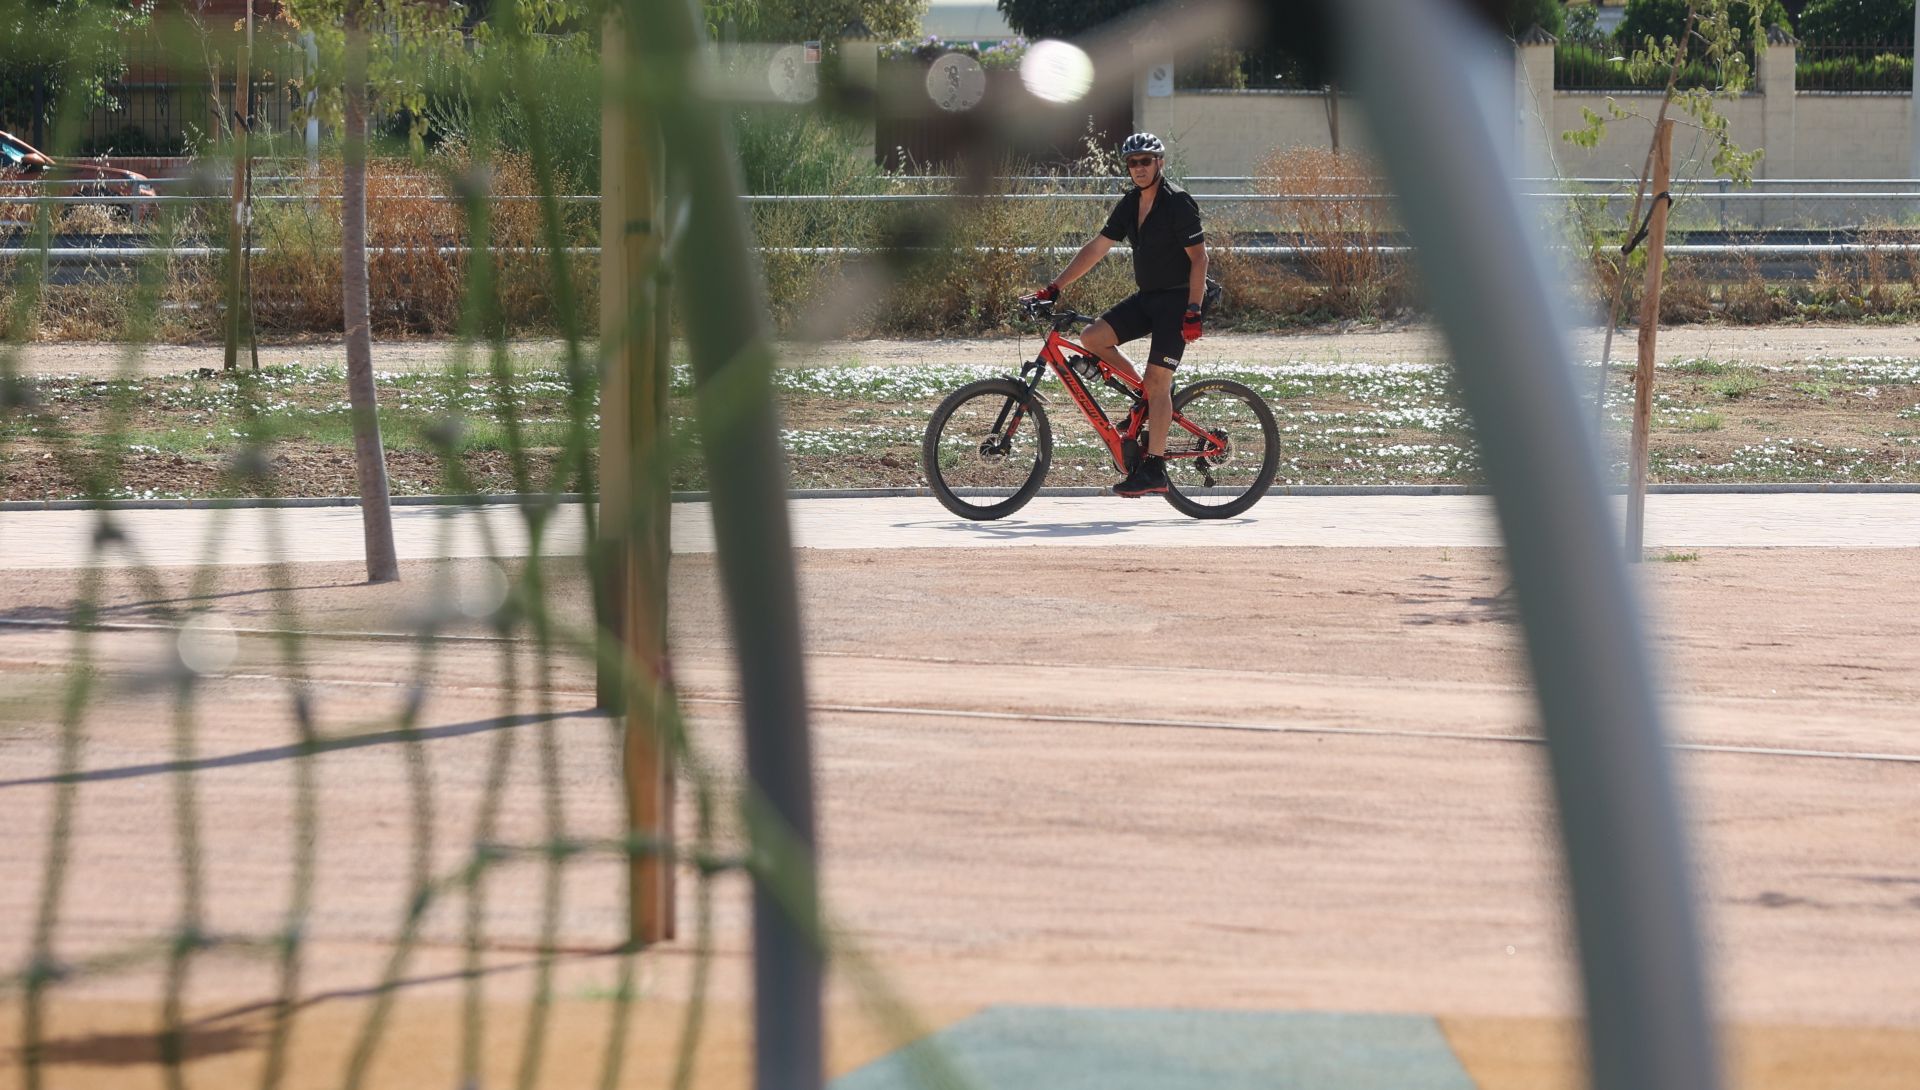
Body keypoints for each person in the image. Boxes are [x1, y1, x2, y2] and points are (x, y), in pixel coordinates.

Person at [1022, 132, 1208, 497]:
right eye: (1133, 162)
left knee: (1158, 382)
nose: (1139, 168)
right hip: (1148, 297)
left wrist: (1193, 309)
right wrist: (1054, 287)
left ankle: (1154, 469)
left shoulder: (1177, 202)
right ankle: (1147, 398)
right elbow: (1098, 247)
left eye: (1146, 161)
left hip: (1178, 302)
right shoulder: (1130, 204)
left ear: (1160, 163)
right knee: (1092, 337)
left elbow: (1200, 258)